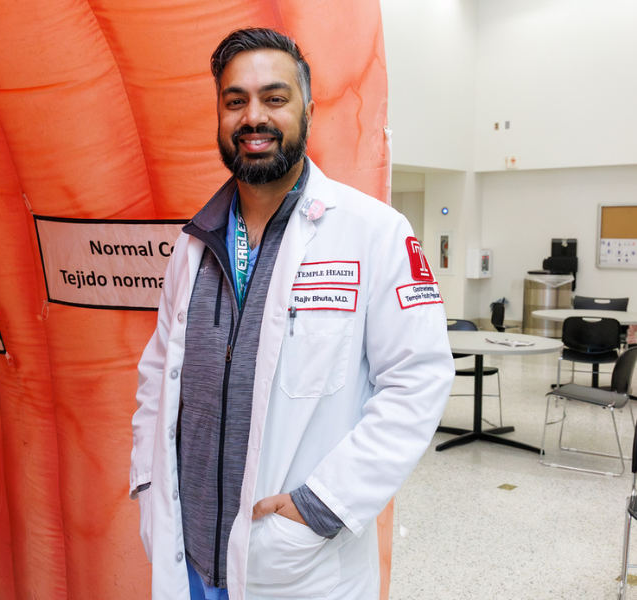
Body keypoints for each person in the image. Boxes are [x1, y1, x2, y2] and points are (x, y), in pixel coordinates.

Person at [130, 27, 454, 600]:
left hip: (292, 562)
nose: (253, 117)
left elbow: (418, 380)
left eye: (274, 98)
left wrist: (321, 505)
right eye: (235, 101)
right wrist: (149, 480)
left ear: (308, 110)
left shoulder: (373, 233)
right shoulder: (194, 245)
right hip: (190, 557)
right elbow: (159, 374)